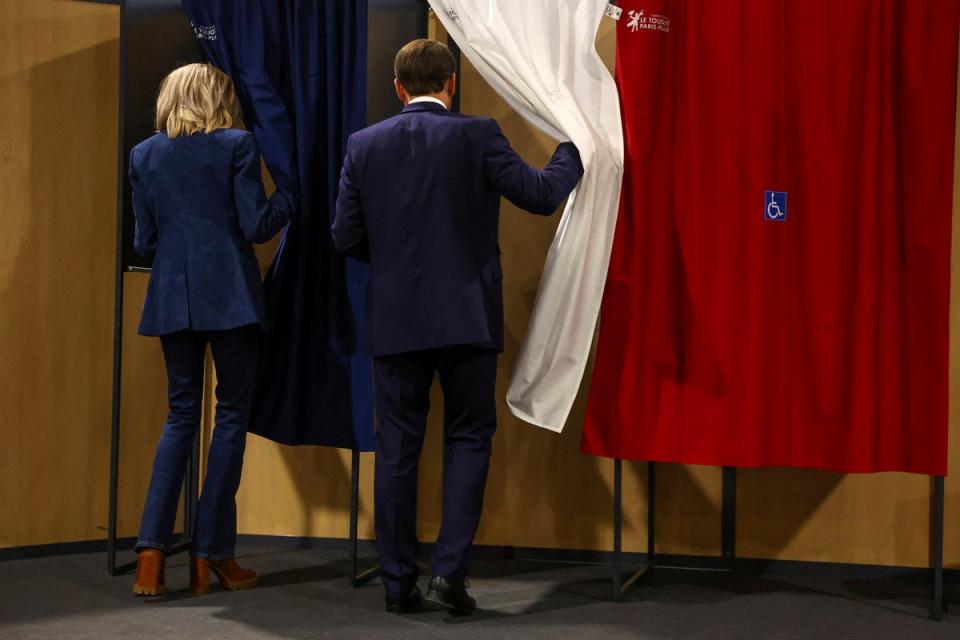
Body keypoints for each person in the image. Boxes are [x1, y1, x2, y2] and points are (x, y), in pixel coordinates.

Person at [332, 39, 583, 614]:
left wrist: (396, 264)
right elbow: (543, 194)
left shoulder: (364, 145)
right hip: (468, 317)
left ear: (399, 88)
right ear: (452, 84)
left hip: (396, 318)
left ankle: (397, 587)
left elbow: (344, 235)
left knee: (396, 451)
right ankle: (448, 575)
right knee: (469, 437)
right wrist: (579, 144)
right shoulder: (478, 135)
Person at [129, 63, 292, 597]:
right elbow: (255, 224)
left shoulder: (144, 155)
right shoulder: (237, 145)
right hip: (232, 298)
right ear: (219, 98)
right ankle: (211, 555)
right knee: (230, 419)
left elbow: (145, 242)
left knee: (179, 417)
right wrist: (290, 197)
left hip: (172, 297)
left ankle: (151, 554)